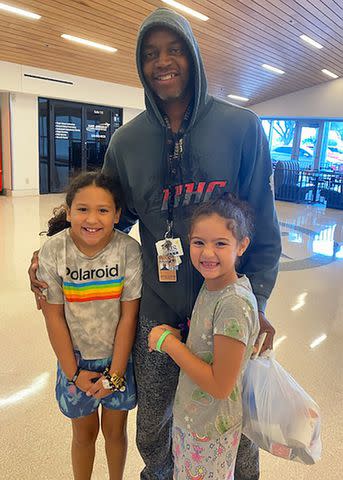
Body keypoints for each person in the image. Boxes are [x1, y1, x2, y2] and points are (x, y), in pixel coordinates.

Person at [29, 7, 281, 480]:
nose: (162, 61)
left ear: (193, 56)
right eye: (150, 54)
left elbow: (262, 226)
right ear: (141, 66)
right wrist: (51, 250)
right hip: (157, 310)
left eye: (174, 49)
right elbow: (106, 217)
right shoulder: (127, 142)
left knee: (234, 425)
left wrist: (259, 300)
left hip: (224, 306)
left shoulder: (242, 127)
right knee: (151, 428)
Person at [37, 171, 142, 480]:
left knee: (115, 432)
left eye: (103, 210)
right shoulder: (53, 251)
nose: (92, 219)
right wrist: (73, 373)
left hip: (119, 361)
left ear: (118, 214)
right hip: (75, 361)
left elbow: (129, 317)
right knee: (83, 435)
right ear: (68, 212)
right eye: (82, 209)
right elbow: (53, 317)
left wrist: (116, 375)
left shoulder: (128, 251)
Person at [149, 195, 260, 479]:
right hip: (195, 421)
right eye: (199, 242)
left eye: (220, 243)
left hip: (210, 430)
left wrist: (170, 345)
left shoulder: (233, 303)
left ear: (242, 245)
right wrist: (180, 335)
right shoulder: (213, 285)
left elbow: (220, 385)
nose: (207, 253)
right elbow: (209, 345)